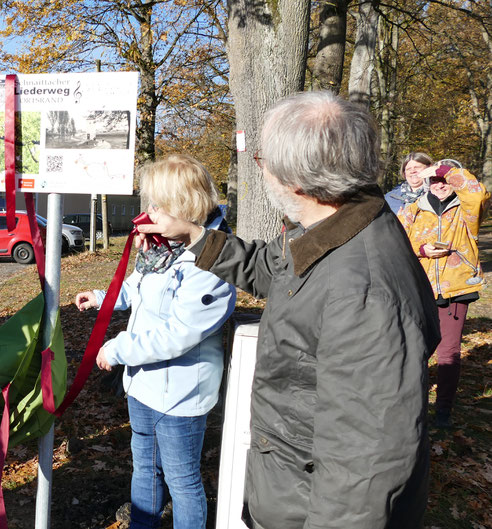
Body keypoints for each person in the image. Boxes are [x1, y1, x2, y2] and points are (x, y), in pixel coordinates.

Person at [135, 91, 441, 528]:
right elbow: (268, 270)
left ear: (296, 181)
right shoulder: (334, 226)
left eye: (260, 159)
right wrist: (194, 236)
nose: (259, 168)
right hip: (288, 490)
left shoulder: (364, 294)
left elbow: (366, 471)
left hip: (310, 509)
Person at [74, 154, 235, 529]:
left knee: (182, 482)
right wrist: (103, 297)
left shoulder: (213, 260)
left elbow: (179, 333)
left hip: (180, 394)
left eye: (157, 204)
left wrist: (117, 348)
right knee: (144, 469)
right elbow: (139, 286)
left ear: (184, 205)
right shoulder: (163, 247)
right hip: (144, 385)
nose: (149, 212)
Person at [399, 160, 488, 428]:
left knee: (449, 351)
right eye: (435, 181)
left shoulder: (467, 211)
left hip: (457, 289)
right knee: (417, 350)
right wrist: (423, 250)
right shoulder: (413, 210)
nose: (440, 185)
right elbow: (398, 240)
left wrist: (447, 169)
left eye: (445, 180)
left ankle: (443, 412)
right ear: (427, 183)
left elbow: (478, 193)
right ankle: (412, 406)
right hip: (421, 288)